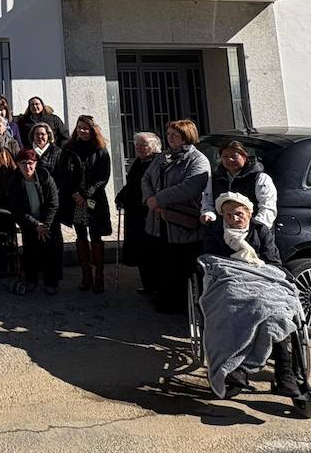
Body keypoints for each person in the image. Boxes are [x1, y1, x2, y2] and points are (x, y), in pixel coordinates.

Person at [200, 192, 302, 400]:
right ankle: (236, 369)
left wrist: (257, 270)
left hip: (263, 279)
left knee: (276, 313)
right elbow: (211, 261)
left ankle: (285, 374)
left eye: (238, 214)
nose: (233, 219)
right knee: (231, 304)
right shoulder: (215, 233)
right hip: (230, 281)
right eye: (228, 215)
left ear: (249, 213)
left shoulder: (260, 231)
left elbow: (273, 261)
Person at [142, 119, 211, 314]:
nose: (170, 138)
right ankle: (165, 299)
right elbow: (146, 178)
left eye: (175, 135)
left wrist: (159, 199)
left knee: (183, 265)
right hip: (160, 219)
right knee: (165, 260)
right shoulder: (163, 156)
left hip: (182, 221)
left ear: (187, 136)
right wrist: (149, 199)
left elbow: (190, 187)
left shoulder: (197, 159)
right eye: (169, 134)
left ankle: (184, 305)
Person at [58, 116, 112, 293]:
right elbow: (62, 174)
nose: (82, 131)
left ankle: (99, 276)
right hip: (75, 200)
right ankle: (86, 275)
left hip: (93, 199)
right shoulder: (68, 149)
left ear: (92, 130)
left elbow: (103, 178)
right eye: (80, 127)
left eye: (86, 128)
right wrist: (74, 193)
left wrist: (86, 194)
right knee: (81, 236)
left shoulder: (101, 150)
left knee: (96, 236)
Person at [8, 149, 62, 293]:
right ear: (18, 165)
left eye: (30, 163)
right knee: (30, 251)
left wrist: (45, 225)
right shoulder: (15, 182)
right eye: (23, 163)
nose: (27, 167)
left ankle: (51, 282)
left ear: (35, 163)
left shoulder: (46, 177)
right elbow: (17, 209)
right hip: (29, 222)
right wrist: (35, 224)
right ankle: (31, 280)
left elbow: (53, 203)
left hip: (47, 221)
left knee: (50, 251)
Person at [116, 132, 162, 294]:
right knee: (141, 250)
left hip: (148, 213)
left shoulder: (157, 163)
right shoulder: (138, 162)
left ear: (153, 147)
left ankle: (156, 287)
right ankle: (147, 284)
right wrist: (121, 195)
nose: (139, 148)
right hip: (135, 212)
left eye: (143, 145)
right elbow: (132, 184)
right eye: (137, 145)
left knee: (151, 251)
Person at [200, 140, 277, 228]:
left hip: (253, 230)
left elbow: (267, 207)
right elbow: (207, 200)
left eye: (234, 156)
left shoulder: (260, 178)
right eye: (225, 156)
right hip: (223, 232)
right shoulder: (215, 178)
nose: (229, 159)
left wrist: (255, 228)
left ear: (244, 157)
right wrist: (208, 214)